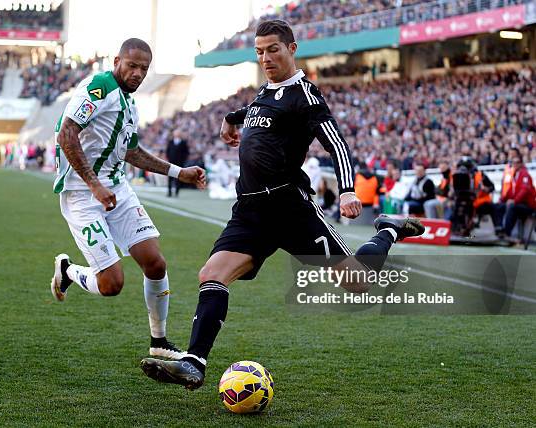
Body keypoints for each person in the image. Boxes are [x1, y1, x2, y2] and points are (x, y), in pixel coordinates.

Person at [140, 20, 424, 390]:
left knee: (358, 282)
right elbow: (260, 108)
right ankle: (195, 362)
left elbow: (336, 142)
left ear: (292, 48)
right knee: (212, 273)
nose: (265, 57)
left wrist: (347, 190)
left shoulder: (306, 95)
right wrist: (231, 118)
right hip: (250, 211)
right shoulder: (267, 90)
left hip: (290, 209)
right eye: (259, 51)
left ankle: (388, 229)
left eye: (273, 49)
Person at [50, 38, 206, 360]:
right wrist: (93, 185)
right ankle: (67, 272)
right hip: (82, 195)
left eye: (144, 69)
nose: (137, 73)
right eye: (132, 66)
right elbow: (67, 133)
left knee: (155, 262)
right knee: (111, 284)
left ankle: (159, 342)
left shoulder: (129, 102)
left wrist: (179, 173)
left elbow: (131, 152)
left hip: (117, 189)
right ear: (117, 60)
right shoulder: (99, 87)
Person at [493, 154, 536, 239]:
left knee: (512, 206)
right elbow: (510, 191)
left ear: (521, 164)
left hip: (528, 205)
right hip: (519, 203)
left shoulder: (525, 174)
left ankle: (507, 233)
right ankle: (499, 228)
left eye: (517, 162)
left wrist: (514, 201)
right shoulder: (514, 175)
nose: (514, 164)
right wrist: (502, 199)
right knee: (498, 206)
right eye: (513, 162)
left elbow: (524, 191)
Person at [165, 130, 189, 197]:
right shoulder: (171, 142)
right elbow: (167, 151)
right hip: (171, 162)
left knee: (178, 178)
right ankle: (169, 192)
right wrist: (169, 158)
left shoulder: (183, 143)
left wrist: (183, 160)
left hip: (179, 163)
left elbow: (186, 153)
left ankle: (177, 192)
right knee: (170, 178)